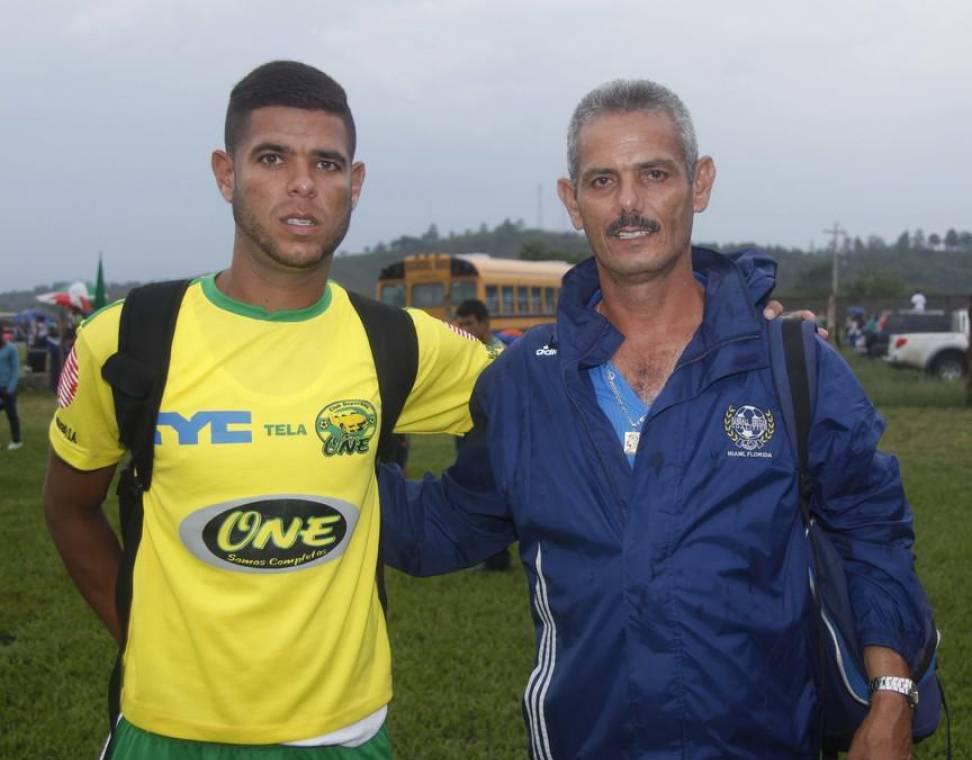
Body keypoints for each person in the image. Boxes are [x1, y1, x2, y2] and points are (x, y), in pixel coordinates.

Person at [379, 79, 932, 759]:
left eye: (655, 175)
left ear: (698, 184)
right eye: (603, 180)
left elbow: (872, 531)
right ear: (571, 201)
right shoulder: (525, 385)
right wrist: (301, 461)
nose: (630, 204)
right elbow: (442, 527)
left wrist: (892, 696)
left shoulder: (791, 364)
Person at [42, 60, 494, 759]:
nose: (304, 185)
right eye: (273, 158)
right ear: (226, 173)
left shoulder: (401, 343)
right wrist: (140, 634)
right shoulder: (128, 336)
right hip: (163, 729)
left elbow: (546, 404)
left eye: (327, 163)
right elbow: (69, 505)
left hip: (342, 733)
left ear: (356, 183)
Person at [453, 299, 510, 570]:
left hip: (487, 432)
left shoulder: (496, 353)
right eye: (460, 323)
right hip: (469, 428)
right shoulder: (465, 351)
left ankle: (494, 558)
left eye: (469, 323)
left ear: (485, 324)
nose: (462, 328)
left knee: (486, 492)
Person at [0, 330, 22, 450]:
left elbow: (15, 370)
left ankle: (16, 441)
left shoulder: (11, 349)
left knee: (11, 415)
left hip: (8, 389)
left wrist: (11, 389)